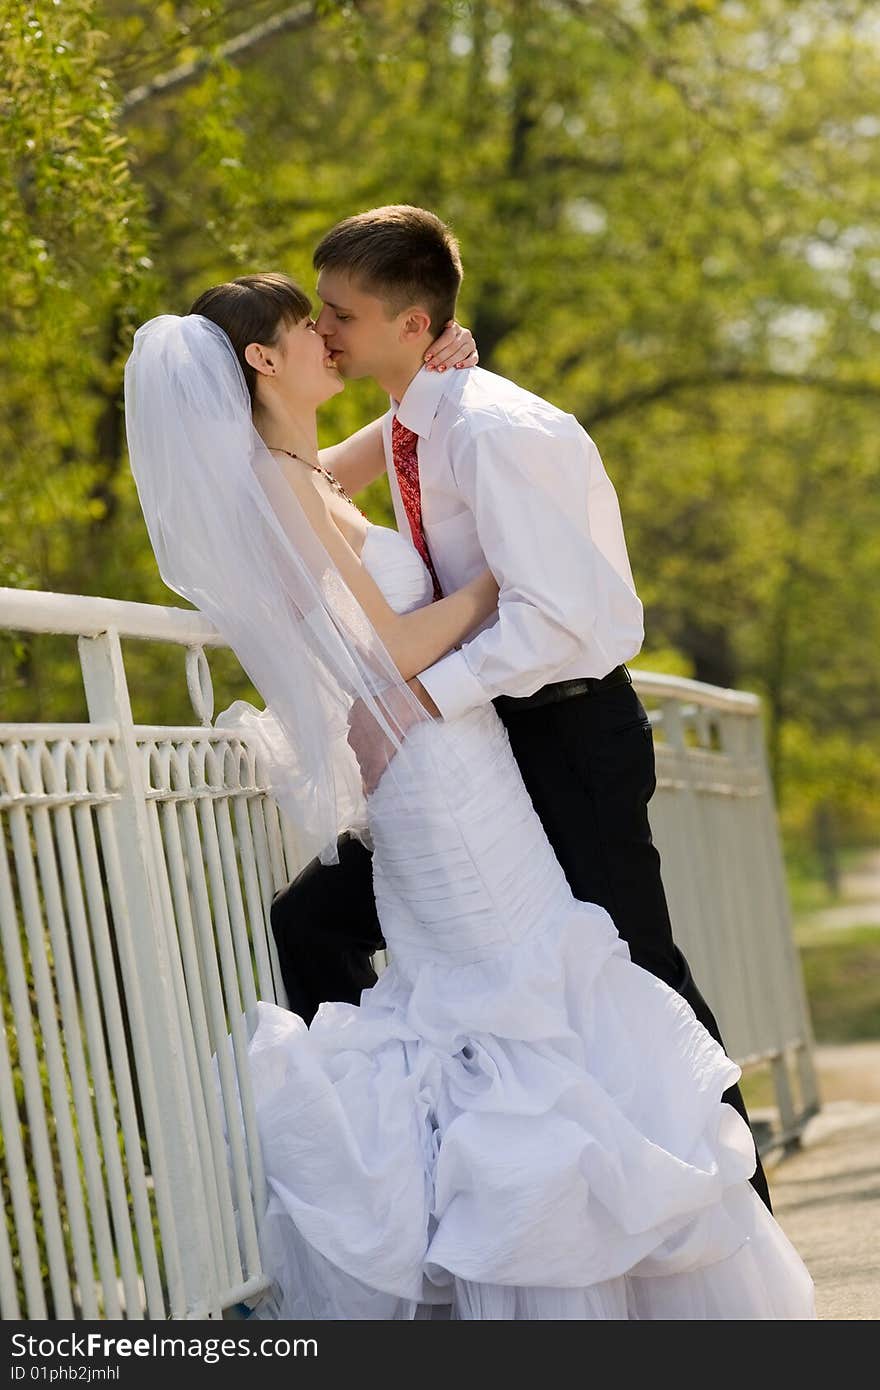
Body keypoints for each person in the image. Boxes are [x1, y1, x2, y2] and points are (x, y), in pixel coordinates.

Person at [124, 271, 815, 1320]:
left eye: (336, 320)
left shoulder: (293, 465)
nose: (326, 340)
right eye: (309, 330)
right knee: (508, 1000)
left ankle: (610, 1251)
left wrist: (431, 368)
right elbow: (400, 645)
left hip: (461, 757)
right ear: (263, 361)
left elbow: (371, 449)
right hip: (439, 777)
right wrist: (496, 581)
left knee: (534, 992)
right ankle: (552, 1260)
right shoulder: (275, 483)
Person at [270, 205, 772, 1211]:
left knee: (637, 971)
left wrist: (416, 699)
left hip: (569, 729)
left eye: (341, 314)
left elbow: (551, 623)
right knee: (323, 922)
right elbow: (303, 477)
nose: (323, 330)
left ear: (410, 325)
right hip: (484, 740)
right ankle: (410, 1185)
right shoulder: (425, 410)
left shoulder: (497, 430)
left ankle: (740, 1214)